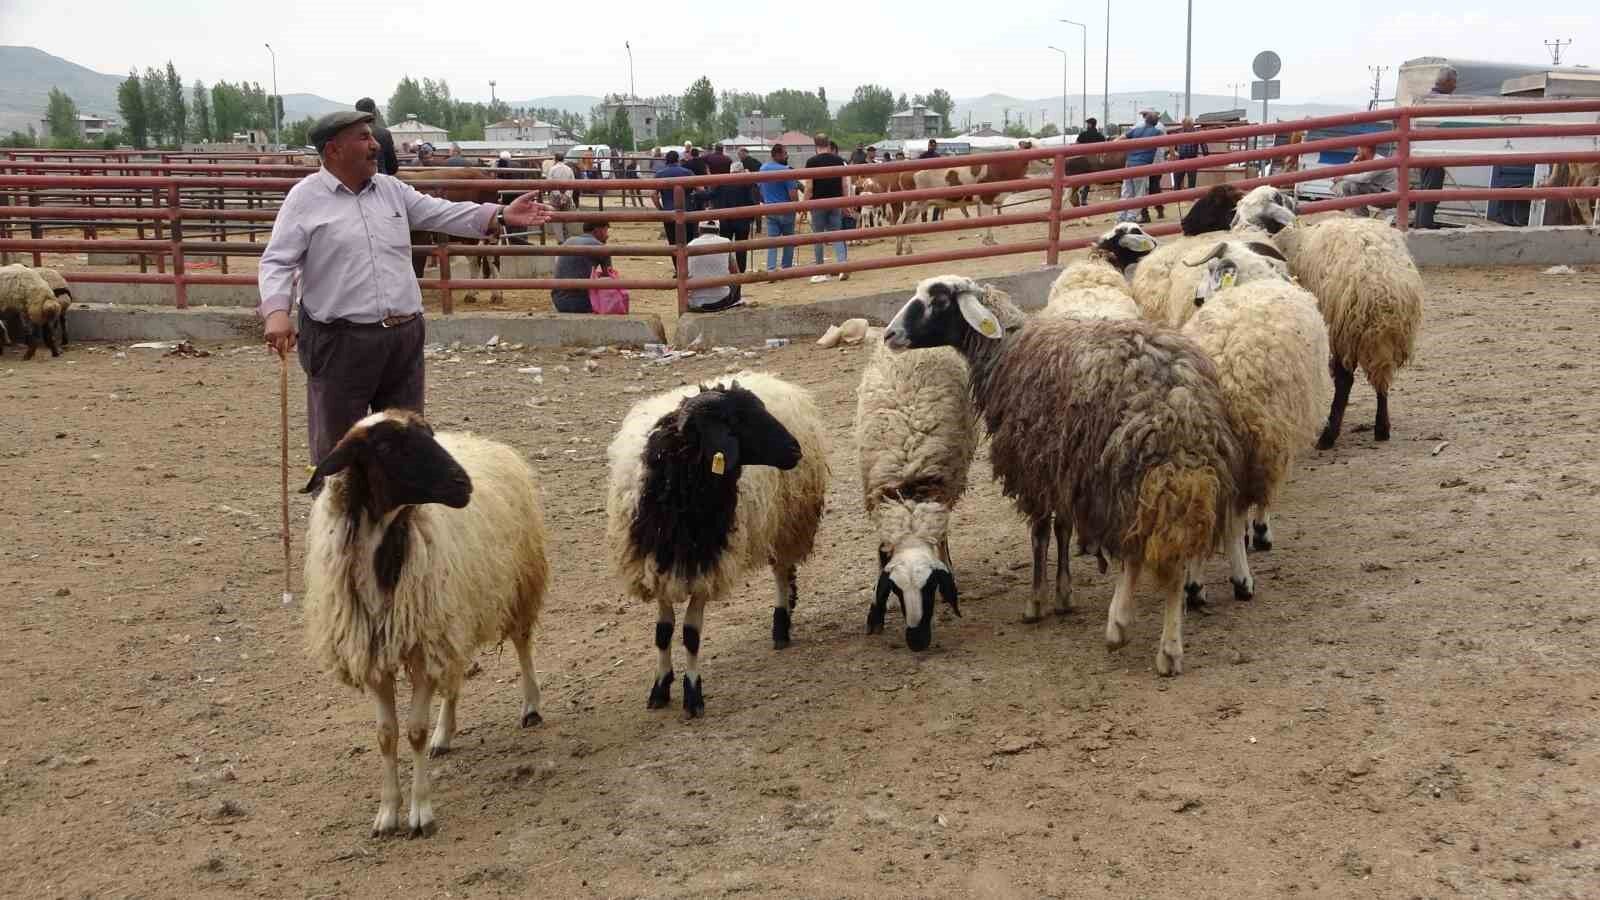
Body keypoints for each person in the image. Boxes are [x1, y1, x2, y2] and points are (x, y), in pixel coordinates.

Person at [257, 110, 552, 465]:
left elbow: (441, 213)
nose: (375, 144)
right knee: (338, 450)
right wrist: (276, 313)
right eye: (364, 138)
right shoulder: (304, 199)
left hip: (402, 337)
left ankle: (403, 518)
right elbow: (277, 261)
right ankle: (338, 518)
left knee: (406, 445)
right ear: (333, 150)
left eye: (372, 136)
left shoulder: (392, 190)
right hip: (340, 342)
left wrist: (500, 215)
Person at [803, 133, 848, 283]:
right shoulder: (839, 160)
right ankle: (842, 267)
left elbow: (809, 186)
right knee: (837, 235)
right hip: (835, 201)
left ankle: (820, 271)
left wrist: (803, 204)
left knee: (818, 237)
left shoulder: (811, 162)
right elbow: (844, 184)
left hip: (818, 203)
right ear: (828, 144)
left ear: (815, 145)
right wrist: (845, 202)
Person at [1415, 66, 1457, 229]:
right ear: (1446, 82)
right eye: (1453, 82)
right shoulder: (1440, 100)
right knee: (1431, 188)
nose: (1455, 86)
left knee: (1426, 187)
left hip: (1424, 150)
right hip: (1433, 150)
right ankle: (1424, 224)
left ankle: (1422, 222)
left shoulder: (1427, 98)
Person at [550, 221, 611, 313]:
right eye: (606, 231)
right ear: (598, 230)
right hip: (581, 303)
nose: (607, 235)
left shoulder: (568, 241)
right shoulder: (600, 247)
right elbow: (609, 279)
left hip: (558, 301)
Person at [685, 220, 744, 312]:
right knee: (736, 281)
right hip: (721, 299)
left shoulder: (690, 245)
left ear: (699, 229)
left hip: (696, 301)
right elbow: (735, 271)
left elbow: (685, 275)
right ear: (718, 229)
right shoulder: (726, 242)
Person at [1117, 109, 1164, 223]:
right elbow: (1168, 142)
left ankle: (1120, 217)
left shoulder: (1136, 129)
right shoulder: (1157, 132)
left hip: (1129, 164)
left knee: (1126, 193)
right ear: (1156, 122)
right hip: (1142, 166)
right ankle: (1130, 218)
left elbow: (1119, 139)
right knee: (1139, 194)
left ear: (1145, 119)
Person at [759, 144, 800, 271]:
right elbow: (793, 194)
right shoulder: (786, 170)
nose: (787, 156)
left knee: (772, 243)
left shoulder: (763, 169)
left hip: (770, 209)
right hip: (786, 210)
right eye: (785, 153)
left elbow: (760, 189)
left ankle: (771, 269)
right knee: (788, 242)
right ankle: (786, 268)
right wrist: (798, 206)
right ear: (777, 155)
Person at [651, 150, 695, 267]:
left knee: (673, 242)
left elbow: (653, 195)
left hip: (668, 212)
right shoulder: (687, 172)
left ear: (666, 160)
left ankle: (678, 269)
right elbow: (700, 189)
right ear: (678, 160)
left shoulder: (660, 174)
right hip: (687, 211)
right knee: (689, 241)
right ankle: (688, 268)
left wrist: (660, 209)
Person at [1332, 145, 1396, 217]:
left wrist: (1342, 177)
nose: (1357, 152)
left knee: (1355, 186)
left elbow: (1363, 179)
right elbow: (1349, 172)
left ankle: (1362, 217)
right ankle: (1357, 214)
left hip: (1390, 194)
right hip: (1378, 190)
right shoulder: (1365, 160)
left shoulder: (1379, 161)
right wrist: (1353, 162)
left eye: (1359, 150)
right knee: (1346, 186)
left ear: (1366, 150)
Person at [354, 98, 398, 175]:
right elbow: (392, 167)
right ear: (374, 112)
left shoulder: (349, 134)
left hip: (354, 180)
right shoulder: (384, 134)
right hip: (381, 180)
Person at [1072, 117, 1108, 205]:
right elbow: (1105, 147)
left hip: (1082, 159)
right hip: (1095, 161)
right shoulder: (1100, 135)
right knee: (1088, 181)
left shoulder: (1083, 134)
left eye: (1087, 123)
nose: (1087, 125)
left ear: (1090, 124)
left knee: (1079, 179)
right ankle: (1083, 198)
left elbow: (1076, 145)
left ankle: (1077, 196)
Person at [544, 151, 577, 243]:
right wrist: (566, 195)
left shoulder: (552, 169)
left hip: (555, 196)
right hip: (567, 196)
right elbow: (572, 183)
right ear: (563, 159)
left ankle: (560, 240)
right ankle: (568, 239)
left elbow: (550, 183)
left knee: (556, 218)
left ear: (555, 159)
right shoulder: (569, 169)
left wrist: (558, 194)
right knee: (567, 218)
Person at [1172, 117, 1207, 192]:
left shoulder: (1194, 133)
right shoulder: (1180, 132)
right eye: (1185, 125)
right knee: (1178, 180)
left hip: (1190, 158)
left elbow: (1203, 144)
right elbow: (1175, 145)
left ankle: (1186, 198)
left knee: (1188, 181)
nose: (1186, 126)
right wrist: (1206, 155)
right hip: (1183, 158)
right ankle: (1178, 198)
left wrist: (1206, 155)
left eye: (1187, 125)